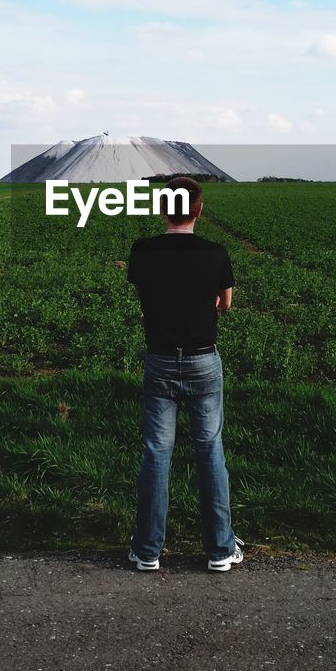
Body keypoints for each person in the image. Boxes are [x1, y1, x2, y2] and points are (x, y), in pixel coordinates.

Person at [125, 175, 243, 572]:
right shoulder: (216, 253)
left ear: (163, 209)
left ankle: (147, 551)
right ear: (198, 209)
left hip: (159, 359)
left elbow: (145, 294)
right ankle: (220, 550)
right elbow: (225, 304)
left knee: (157, 451)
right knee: (209, 449)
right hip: (203, 361)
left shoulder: (142, 251)